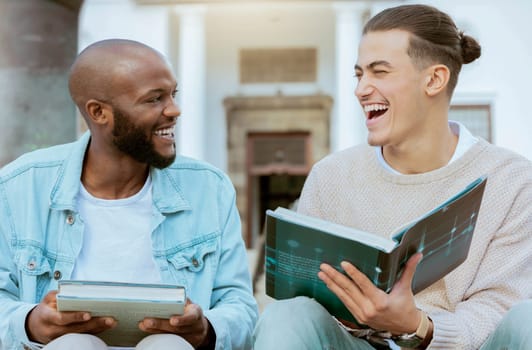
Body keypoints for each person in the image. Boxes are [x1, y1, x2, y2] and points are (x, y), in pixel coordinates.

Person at [253, 4, 532, 350]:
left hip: (463, 345)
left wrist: (417, 326)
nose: (361, 89)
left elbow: (500, 308)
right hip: (358, 344)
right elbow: (304, 303)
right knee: (286, 317)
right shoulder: (331, 176)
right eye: (359, 75)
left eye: (379, 72)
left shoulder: (513, 181)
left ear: (434, 79)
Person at [0, 39, 258, 350]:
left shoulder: (209, 188)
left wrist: (207, 330)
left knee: (168, 346)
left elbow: (240, 306)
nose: (174, 110)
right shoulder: (18, 187)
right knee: (75, 346)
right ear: (99, 112)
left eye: (172, 95)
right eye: (154, 99)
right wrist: (30, 323)